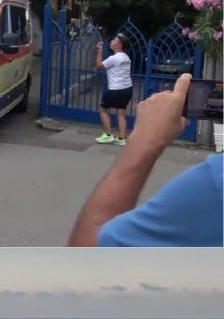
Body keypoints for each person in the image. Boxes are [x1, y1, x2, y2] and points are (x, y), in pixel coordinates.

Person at [69, 73, 224, 247]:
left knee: (111, 111)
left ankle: (116, 136)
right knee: (119, 113)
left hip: (116, 90)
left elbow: (86, 254)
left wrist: (145, 140)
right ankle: (119, 136)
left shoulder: (216, 183)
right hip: (123, 90)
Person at [94, 33, 133, 145]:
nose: (111, 41)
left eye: (114, 40)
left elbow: (99, 66)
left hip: (115, 89)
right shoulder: (126, 58)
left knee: (103, 110)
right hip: (127, 89)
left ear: (119, 45)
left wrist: (99, 51)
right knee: (121, 113)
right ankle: (121, 139)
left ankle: (108, 135)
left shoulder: (114, 58)